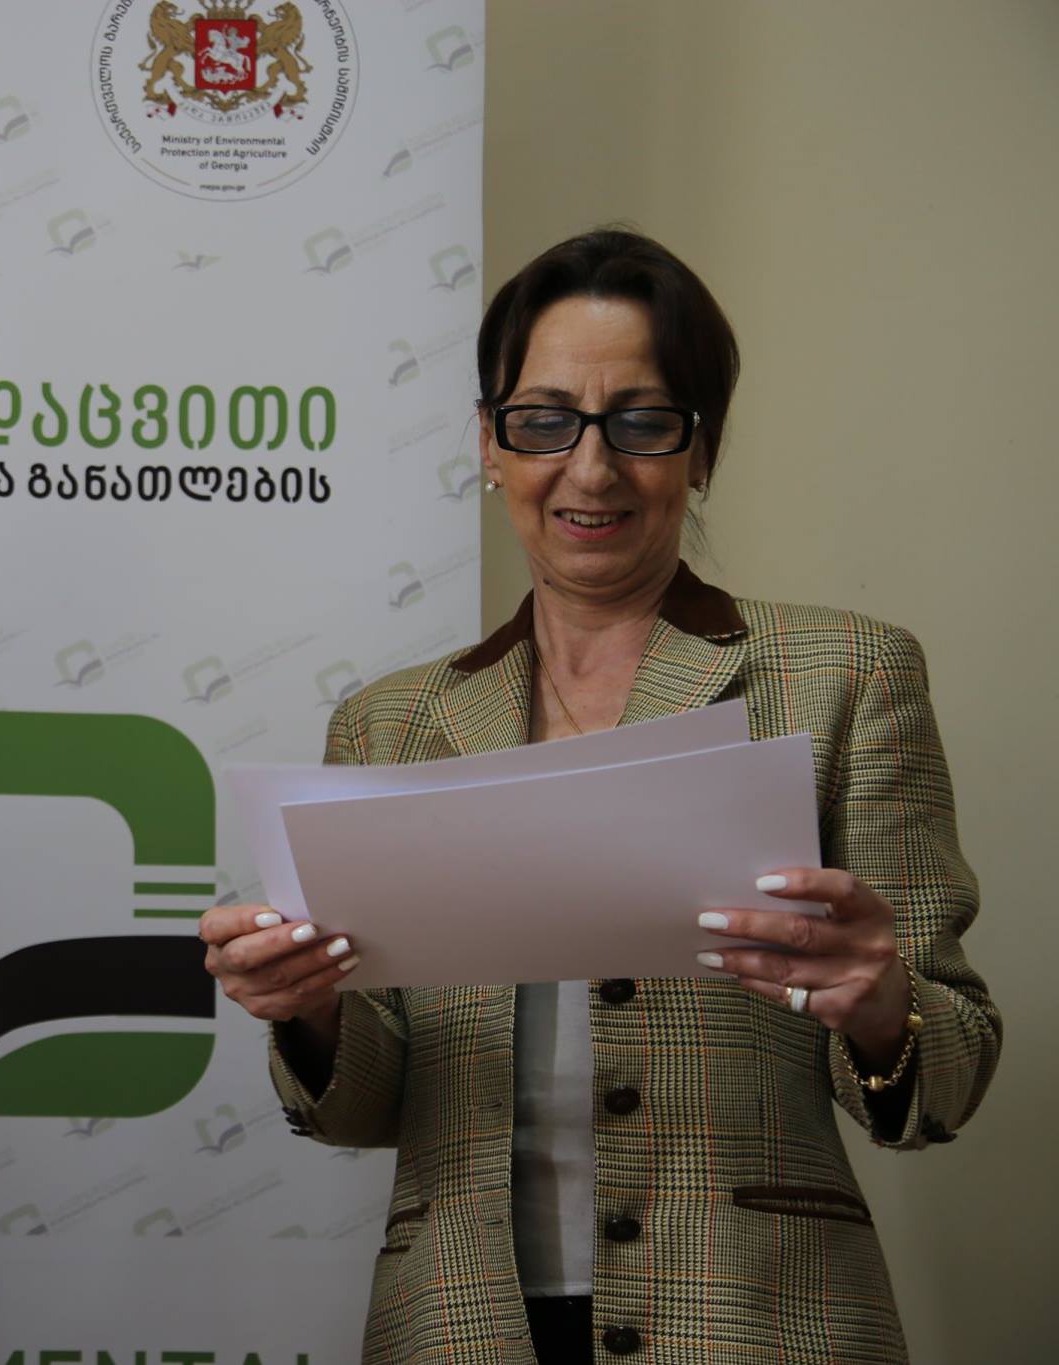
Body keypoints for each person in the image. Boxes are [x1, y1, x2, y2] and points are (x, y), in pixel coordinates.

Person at [200, 229, 999, 1364]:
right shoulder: (387, 724)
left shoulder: (844, 676)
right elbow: (367, 1106)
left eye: (640, 421)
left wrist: (881, 1004)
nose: (589, 469)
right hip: (461, 1323)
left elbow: (948, 1070)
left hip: (758, 1316)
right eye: (543, 421)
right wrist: (310, 1009)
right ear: (487, 443)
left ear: (699, 449)